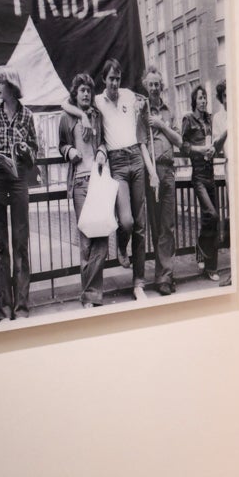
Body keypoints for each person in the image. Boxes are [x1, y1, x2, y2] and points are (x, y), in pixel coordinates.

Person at [71, 58, 155, 299]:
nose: (115, 83)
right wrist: (83, 115)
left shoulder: (129, 95)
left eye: (118, 78)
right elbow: (65, 104)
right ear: (104, 80)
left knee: (140, 225)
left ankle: (139, 282)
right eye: (111, 79)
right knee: (126, 221)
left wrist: (142, 107)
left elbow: (146, 102)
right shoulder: (97, 100)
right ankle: (121, 244)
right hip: (116, 163)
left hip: (136, 159)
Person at [0, 65, 40, 320]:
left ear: (11, 87)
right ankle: (4, 310)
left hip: (18, 181)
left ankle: (22, 307)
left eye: (0, 84)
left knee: (20, 243)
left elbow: (36, 153)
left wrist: (26, 150)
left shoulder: (27, 116)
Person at [59, 72, 107, 307]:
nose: (86, 94)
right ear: (75, 94)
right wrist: (69, 151)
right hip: (78, 182)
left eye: (89, 90)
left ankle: (90, 293)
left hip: (98, 180)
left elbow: (104, 141)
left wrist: (101, 151)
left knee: (102, 237)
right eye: (82, 90)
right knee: (87, 238)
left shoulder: (97, 116)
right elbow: (61, 144)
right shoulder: (67, 117)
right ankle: (91, 296)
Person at [141, 67, 180, 295]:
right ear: (146, 87)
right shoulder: (142, 111)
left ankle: (165, 276)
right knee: (157, 226)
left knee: (168, 225)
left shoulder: (168, 111)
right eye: (151, 84)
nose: (155, 88)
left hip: (169, 171)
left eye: (157, 84)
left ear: (161, 86)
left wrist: (161, 124)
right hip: (152, 173)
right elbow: (142, 142)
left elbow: (178, 139)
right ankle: (162, 275)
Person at [181, 84, 221, 281]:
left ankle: (211, 266)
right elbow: (183, 146)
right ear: (194, 101)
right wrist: (200, 150)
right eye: (200, 98)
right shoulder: (188, 119)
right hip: (198, 176)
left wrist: (213, 148)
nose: (203, 101)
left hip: (211, 173)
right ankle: (201, 246)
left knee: (212, 219)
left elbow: (212, 142)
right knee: (211, 215)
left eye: (205, 97)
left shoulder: (209, 119)